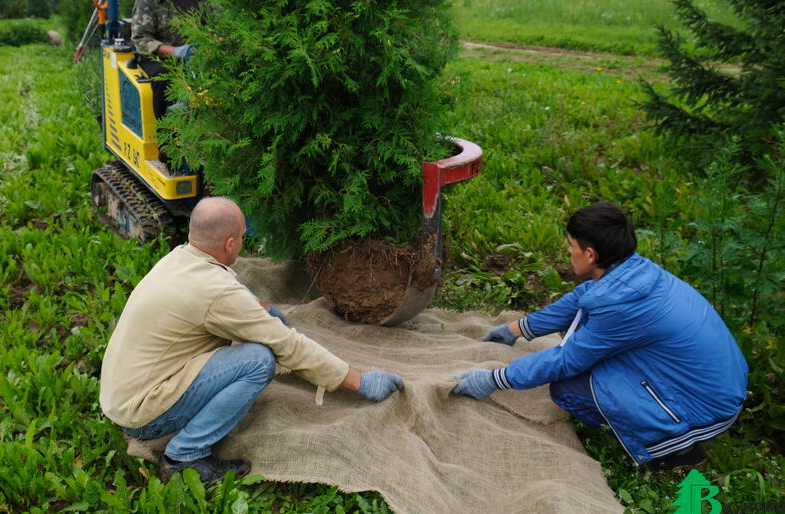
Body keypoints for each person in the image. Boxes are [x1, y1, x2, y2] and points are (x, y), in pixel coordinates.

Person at [99, 196, 404, 483]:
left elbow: (228, 290)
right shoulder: (216, 293)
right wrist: (358, 381)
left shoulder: (180, 259)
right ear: (230, 243)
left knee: (256, 346)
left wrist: (265, 310)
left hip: (123, 395)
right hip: (142, 414)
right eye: (243, 237)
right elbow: (288, 346)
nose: (243, 243)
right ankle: (185, 457)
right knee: (258, 360)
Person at [451, 201, 748, 472]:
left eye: (571, 246)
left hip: (707, 409)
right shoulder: (636, 273)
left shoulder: (621, 305)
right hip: (719, 387)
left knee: (568, 386)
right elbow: (583, 297)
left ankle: (677, 450)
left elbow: (567, 361)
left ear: (590, 254)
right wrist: (518, 329)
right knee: (588, 342)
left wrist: (495, 379)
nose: (568, 252)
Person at [131, 0, 205, 120]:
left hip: (199, 55)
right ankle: (166, 136)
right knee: (163, 77)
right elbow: (141, 38)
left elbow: (219, 22)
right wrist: (176, 52)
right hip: (162, 58)